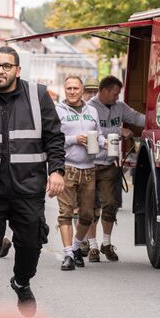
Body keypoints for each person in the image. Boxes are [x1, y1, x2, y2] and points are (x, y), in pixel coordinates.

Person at [0, 46, 65, 318]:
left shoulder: (38, 96)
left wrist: (56, 170)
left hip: (27, 187)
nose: (0, 71)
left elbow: (54, 137)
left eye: (6, 66)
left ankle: (21, 281)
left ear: (17, 70)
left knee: (30, 242)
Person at [84, 76, 146, 262]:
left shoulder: (119, 107)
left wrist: (159, 119)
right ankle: (93, 246)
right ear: (104, 91)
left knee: (111, 204)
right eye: (114, 94)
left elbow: (137, 117)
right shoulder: (90, 108)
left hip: (110, 165)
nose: (117, 97)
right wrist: (119, 131)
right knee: (90, 207)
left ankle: (106, 243)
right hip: (90, 164)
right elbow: (92, 132)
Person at [55, 76, 103, 271]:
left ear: (82, 90)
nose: (72, 91)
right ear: (64, 90)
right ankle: (68, 254)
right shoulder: (58, 110)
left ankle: (76, 247)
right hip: (67, 167)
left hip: (89, 169)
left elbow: (99, 135)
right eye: (69, 88)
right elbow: (53, 138)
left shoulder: (92, 111)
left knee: (87, 215)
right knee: (65, 213)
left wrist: (107, 143)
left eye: (76, 88)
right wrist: (75, 139)